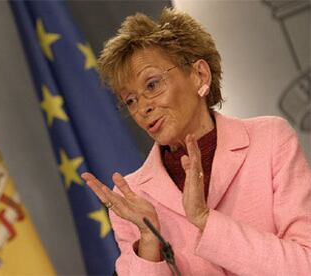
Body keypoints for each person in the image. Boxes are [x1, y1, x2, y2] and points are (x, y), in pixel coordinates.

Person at [80, 7, 311, 276]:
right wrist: (148, 242)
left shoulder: (270, 139)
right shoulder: (131, 195)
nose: (143, 108)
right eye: (130, 100)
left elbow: (304, 265)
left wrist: (205, 220)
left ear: (199, 75)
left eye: (152, 85)